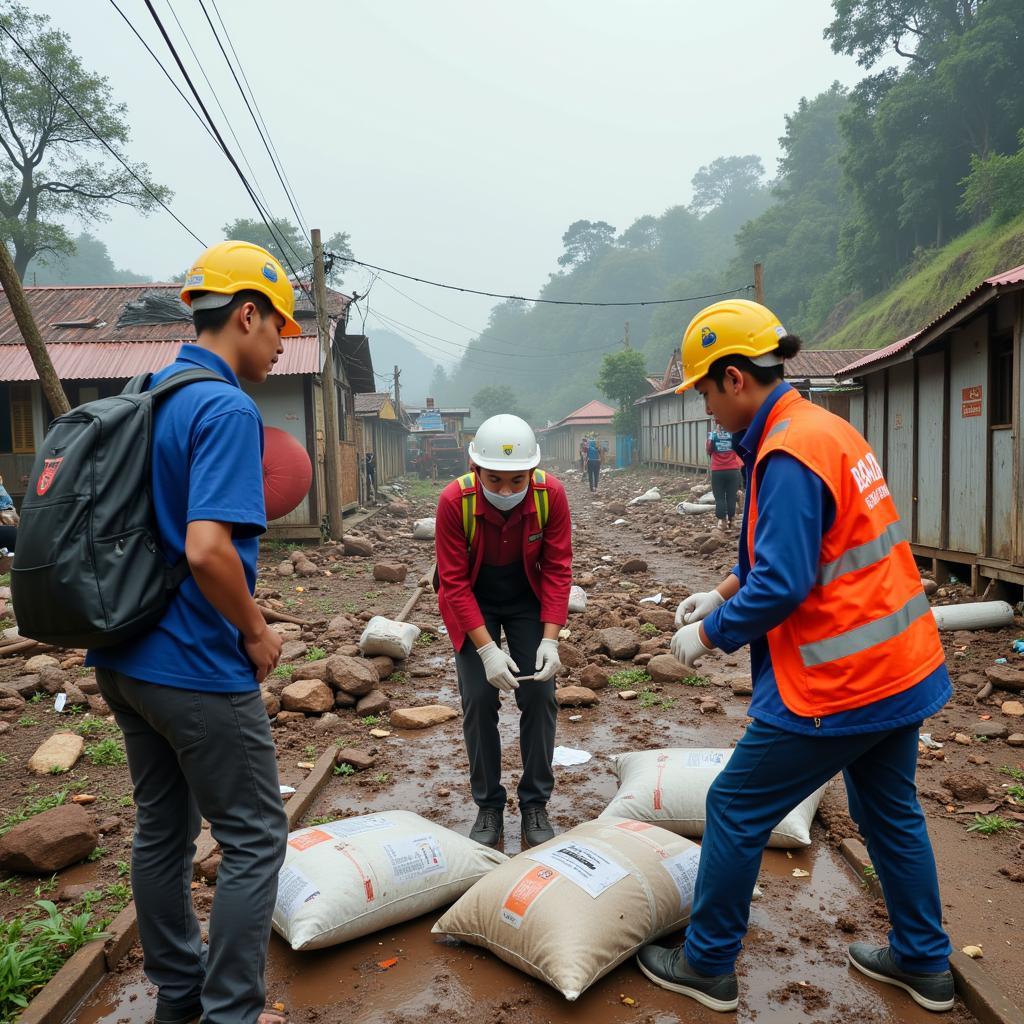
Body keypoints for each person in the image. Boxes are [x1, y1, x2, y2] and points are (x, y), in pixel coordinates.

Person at [638, 299, 953, 1014]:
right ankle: (924, 963)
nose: (708, 409)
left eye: (706, 392)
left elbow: (784, 579)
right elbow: (798, 548)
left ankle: (707, 964)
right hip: (901, 667)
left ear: (736, 377)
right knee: (890, 813)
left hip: (840, 682)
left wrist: (712, 636)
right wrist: (719, 592)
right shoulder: (822, 429)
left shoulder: (785, 449)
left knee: (736, 806)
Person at [85, 241, 300, 1024]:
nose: (282, 344)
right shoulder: (224, 407)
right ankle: (231, 1014)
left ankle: (180, 996)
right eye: (279, 327)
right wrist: (254, 631)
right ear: (245, 314)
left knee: (162, 831)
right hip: (194, 664)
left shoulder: (152, 389)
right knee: (252, 839)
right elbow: (208, 548)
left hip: (125, 656)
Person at [434, 414, 572, 849]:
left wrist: (549, 638)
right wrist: (488, 650)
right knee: (478, 699)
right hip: (474, 600)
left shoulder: (551, 495)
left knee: (538, 694)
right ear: (475, 470)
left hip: (527, 599)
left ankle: (535, 802)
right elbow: (453, 583)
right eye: (495, 480)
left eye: (518, 481)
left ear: (532, 471)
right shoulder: (454, 502)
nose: (507, 491)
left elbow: (557, 568)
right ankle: (489, 806)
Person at [706, 418, 743, 530]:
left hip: (717, 471)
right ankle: (732, 521)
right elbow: (739, 448)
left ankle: (722, 521)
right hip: (732, 470)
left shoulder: (712, 435)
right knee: (731, 497)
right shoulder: (733, 434)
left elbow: (708, 449)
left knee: (719, 497)